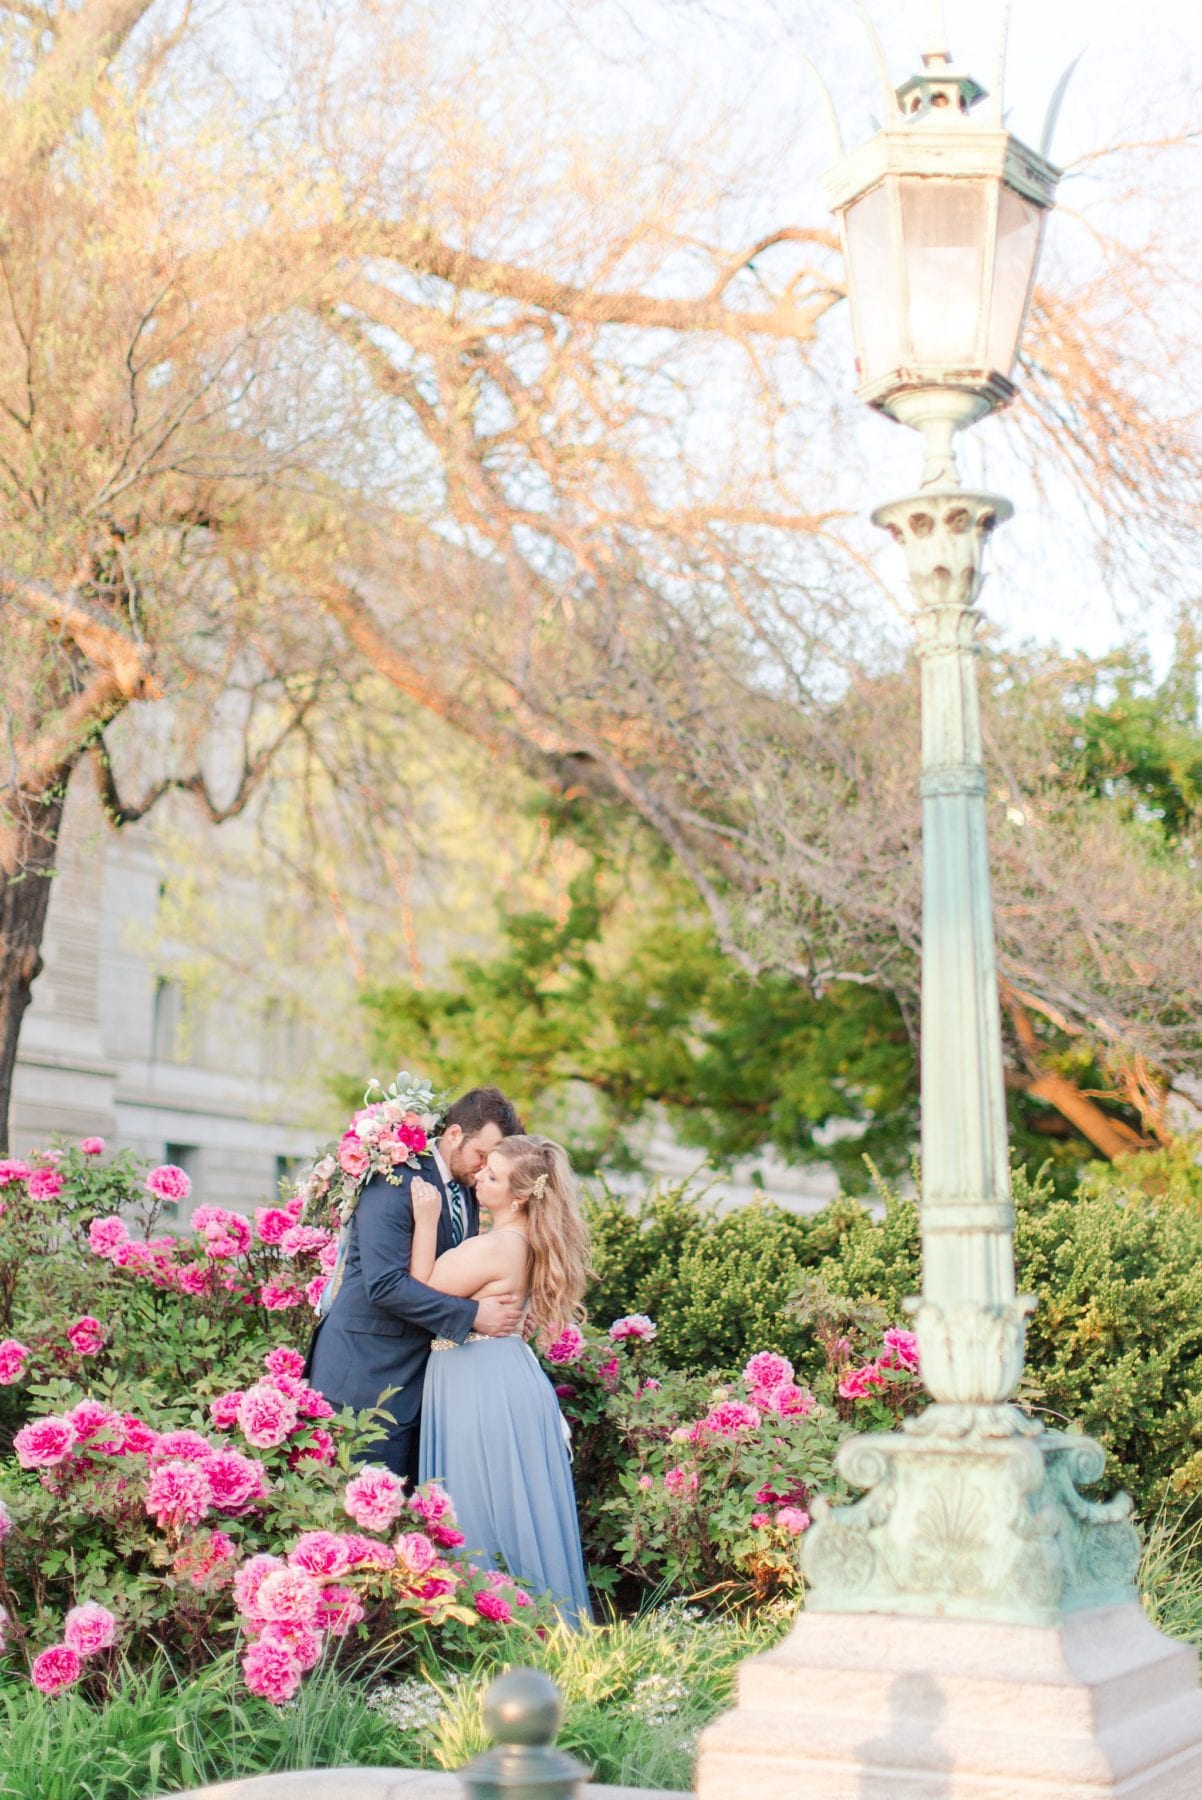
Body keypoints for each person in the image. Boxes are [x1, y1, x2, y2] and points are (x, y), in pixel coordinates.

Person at [410, 1132, 593, 1626]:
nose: (479, 1179)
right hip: (495, 1374)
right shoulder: (527, 1242)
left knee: (477, 1510)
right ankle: (527, 1630)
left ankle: (506, 1632)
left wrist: (426, 1222)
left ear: (518, 1196)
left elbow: (420, 1293)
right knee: (503, 1506)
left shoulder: (497, 1245)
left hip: (480, 1384)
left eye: (492, 1176)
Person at [306, 1087, 524, 1486]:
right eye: (481, 1156)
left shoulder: (467, 1190)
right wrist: (476, 1316)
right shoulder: (396, 1179)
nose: (482, 1170)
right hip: (365, 1379)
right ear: (455, 1133)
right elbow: (386, 1285)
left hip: (416, 1384)